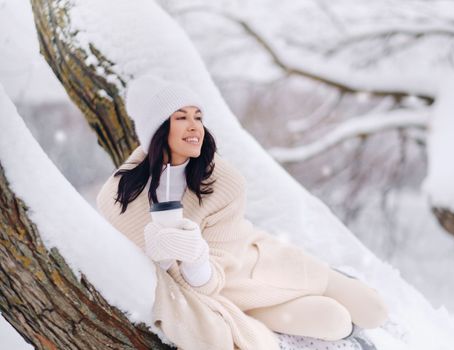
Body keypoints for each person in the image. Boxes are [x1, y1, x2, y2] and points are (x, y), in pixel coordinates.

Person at [96, 74, 388, 349]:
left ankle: (330, 279)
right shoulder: (120, 197)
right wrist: (180, 259)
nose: (195, 126)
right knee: (334, 321)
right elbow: (177, 281)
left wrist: (195, 254)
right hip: (230, 295)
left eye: (198, 117)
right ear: (157, 130)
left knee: (374, 311)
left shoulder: (222, 180)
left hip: (258, 260)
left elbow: (228, 249)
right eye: (181, 118)